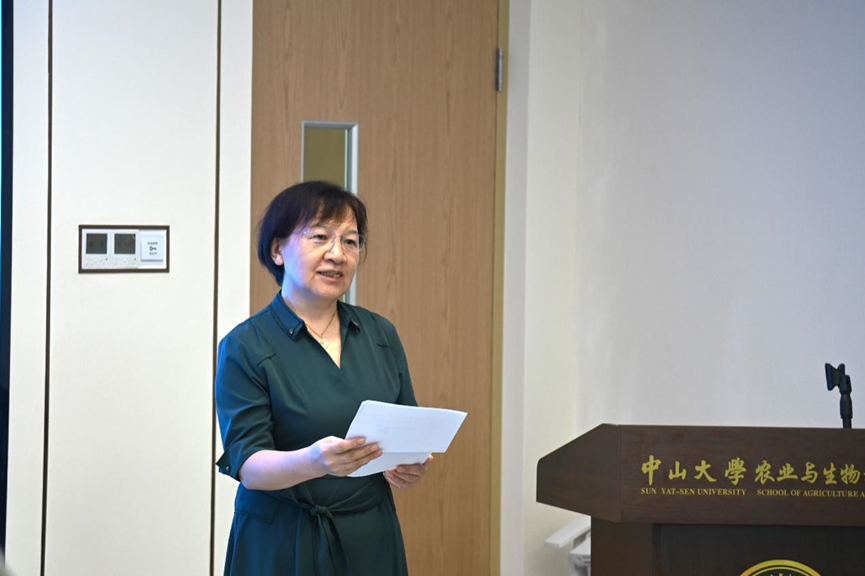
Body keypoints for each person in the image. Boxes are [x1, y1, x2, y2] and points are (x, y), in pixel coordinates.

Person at [215, 181, 429, 576]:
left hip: (370, 533)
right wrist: (315, 461)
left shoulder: (380, 334)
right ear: (277, 250)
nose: (338, 254)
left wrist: (409, 466)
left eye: (351, 241)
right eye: (320, 237)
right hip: (282, 538)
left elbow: (406, 430)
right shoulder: (245, 345)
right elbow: (249, 465)